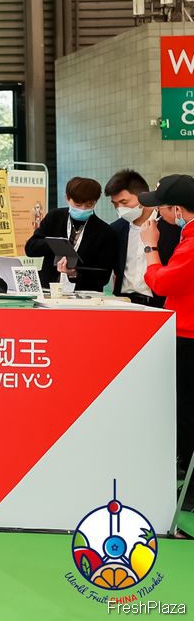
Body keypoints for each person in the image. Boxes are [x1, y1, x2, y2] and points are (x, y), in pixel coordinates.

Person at [139, 174, 194, 474]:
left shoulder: (192, 244)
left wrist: (151, 247)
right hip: (185, 332)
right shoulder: (187, 237)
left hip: (188, 336)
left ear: (177, 210)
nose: (156, 213)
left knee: (185, 408)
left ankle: (186, 475)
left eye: (160, 207)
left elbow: (161, 283)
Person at [25, 176, 117, 292]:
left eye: (89, 205)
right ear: (67, 198)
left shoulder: (104, 231)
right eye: (78, 205)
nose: (83, 209)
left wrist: (75, 273)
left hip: (85, 294)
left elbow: (103, 276)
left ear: (95, 202)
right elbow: (31, 248)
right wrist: (56, 244)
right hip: (49, 289)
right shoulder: (55, 217)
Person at [105, 169, 180, 307]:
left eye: (124, 202)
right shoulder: (116, 229)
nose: (120, 208)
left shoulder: (172, 227)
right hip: (123, 302)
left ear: (143, 197)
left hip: (159, 304)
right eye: (115, 204)